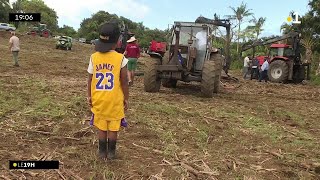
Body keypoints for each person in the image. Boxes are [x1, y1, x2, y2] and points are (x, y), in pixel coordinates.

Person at [87, 20, 129, 160]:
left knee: (101, 126)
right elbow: (124, 81)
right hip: (114, 101)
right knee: (113, 128)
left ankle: (101, 151)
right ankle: (111, 153)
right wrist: (126, 98)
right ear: (118, 41)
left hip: (98, 99)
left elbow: (90, 79)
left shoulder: (94, 57)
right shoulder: (121, 58)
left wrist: (89, 96)